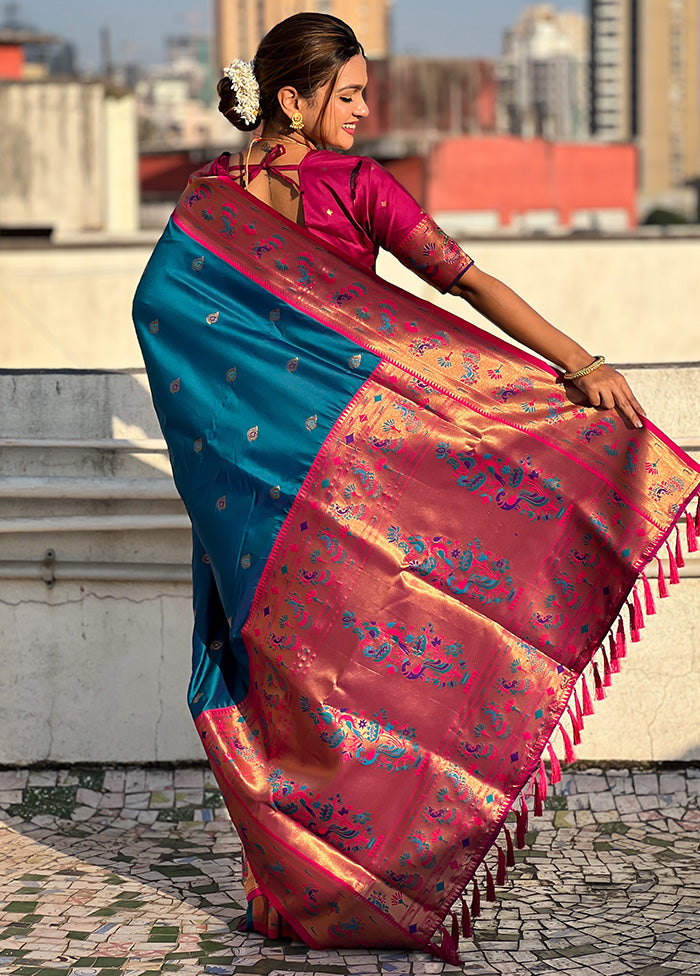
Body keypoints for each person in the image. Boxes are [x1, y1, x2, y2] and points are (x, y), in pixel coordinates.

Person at [133, 13, 700, 964]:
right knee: (359, 681)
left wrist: (220, 439)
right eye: (348, 94)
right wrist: (577, 363)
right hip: (349, 483)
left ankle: (290, 901)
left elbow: (160, 306)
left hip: (251, 491)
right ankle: (357, 888)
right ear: (293, 101)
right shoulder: (352, 185)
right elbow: (465, 282)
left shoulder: (209, 199)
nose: (363, 110)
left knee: (280, 683)